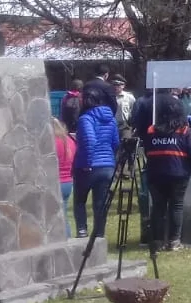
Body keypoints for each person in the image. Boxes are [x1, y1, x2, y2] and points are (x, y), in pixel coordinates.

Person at [144, 94, 191, 251]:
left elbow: (148, 150)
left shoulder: (151, 130)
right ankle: (174, 241)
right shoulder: (184, 130)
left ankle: (157, 241)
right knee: (176, 206)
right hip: (178, 173)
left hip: (155, 173)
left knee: (158, 207)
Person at [72, 80, 120, 238]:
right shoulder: (111, 119)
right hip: (107, 165)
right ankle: (99, 234)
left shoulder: (85, 118)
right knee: (100, 204)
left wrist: (87, 162)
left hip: (88, 165)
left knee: (80, 200)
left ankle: (82, 230)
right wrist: (109, 158)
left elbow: (89, 141)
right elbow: (115, 142)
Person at [53, 118, 76, 236]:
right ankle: (67, 237)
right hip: (68, 181)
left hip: (56, 182)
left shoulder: (53, 142)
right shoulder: (69, 141)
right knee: (64, 214)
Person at [110, 74, 136, 141]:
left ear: (123, 86)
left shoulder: (129, 97)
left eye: (118, 85)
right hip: (112, 126)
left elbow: (133, 110)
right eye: (114, 84)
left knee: (126, 143)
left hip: (125, 126)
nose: (116, 87)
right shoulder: (109, 97)